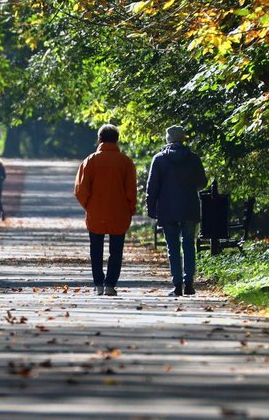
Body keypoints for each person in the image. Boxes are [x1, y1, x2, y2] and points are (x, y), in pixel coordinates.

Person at [74, 124, 137, 296]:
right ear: (117, 139)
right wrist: (130, 209)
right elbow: (131, 190)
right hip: (119, 212)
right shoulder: (125, 162)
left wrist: (89, 206)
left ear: (99, 138)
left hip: (96, 212)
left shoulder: (90, 161)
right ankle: (110, 284)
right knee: (116, 251)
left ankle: (98, 284)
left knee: (96, 249)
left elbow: (80, 190)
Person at [146, 125, 207, 296]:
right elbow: (203, 182)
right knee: (188, 245)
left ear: (168, 139)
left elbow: (152, 187)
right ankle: (189, 283)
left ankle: (177, 285)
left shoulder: (159, 159)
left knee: (173, 247)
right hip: (189, 207)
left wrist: (151, 208)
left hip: (167, 209)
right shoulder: (194, 159)